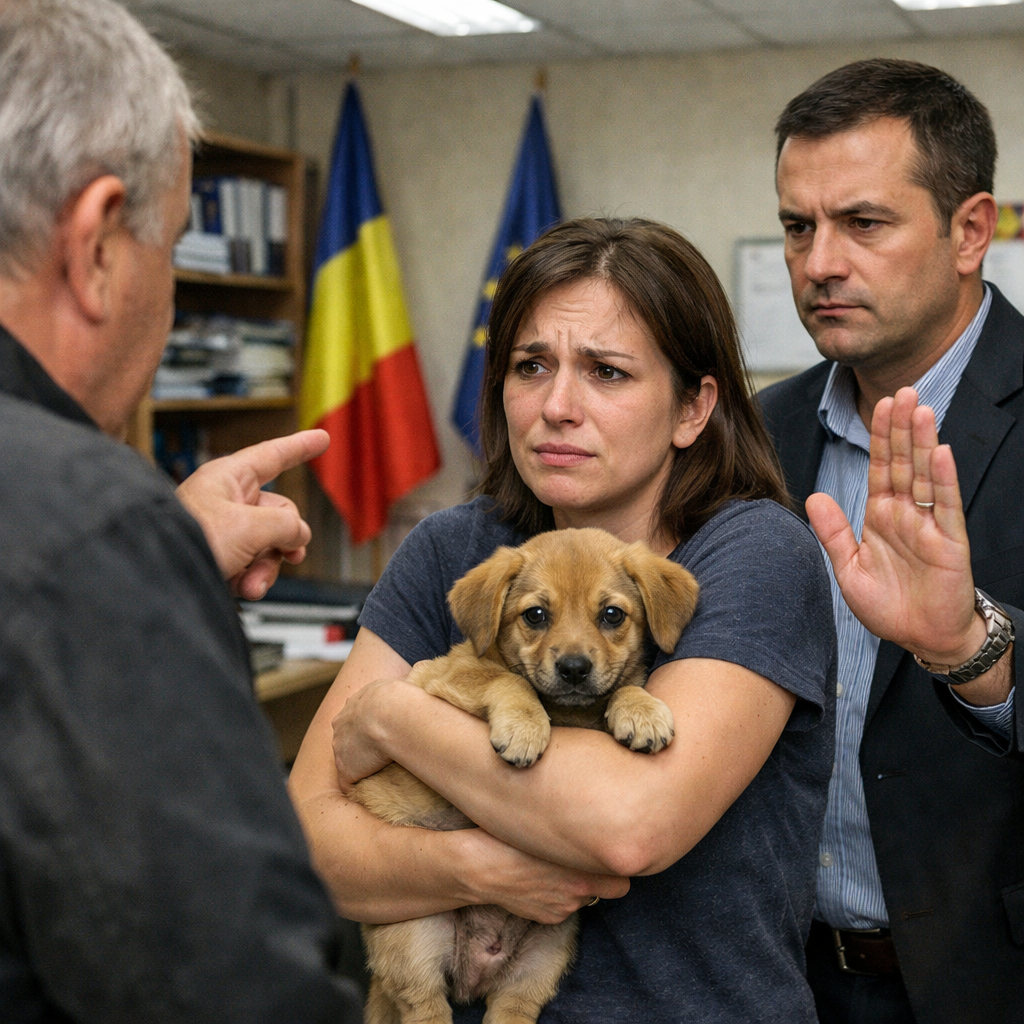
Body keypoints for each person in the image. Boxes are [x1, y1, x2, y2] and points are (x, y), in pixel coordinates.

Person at [289, 216, 838, 1023]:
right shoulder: (456, 547)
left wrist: (392, 716)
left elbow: (627, 826)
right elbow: (307, 842)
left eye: (607, 372)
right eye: (530, 365)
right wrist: (482, 871)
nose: (557, 406)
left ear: (693, 409)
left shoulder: (753, 553)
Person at [0, 0, 364, 1019]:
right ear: (98, 244)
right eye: (170, 247)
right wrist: (122, 547)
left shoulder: (88, 531)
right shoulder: (87, 525)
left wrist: (160, 547)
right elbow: (227, 983)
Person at [762, 59, 1023, 1024]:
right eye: (799, 226)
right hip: (777, 975)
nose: (819, 260)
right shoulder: (756, 436)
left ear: (969, 231)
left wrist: (972, 652)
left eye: (863, 223)